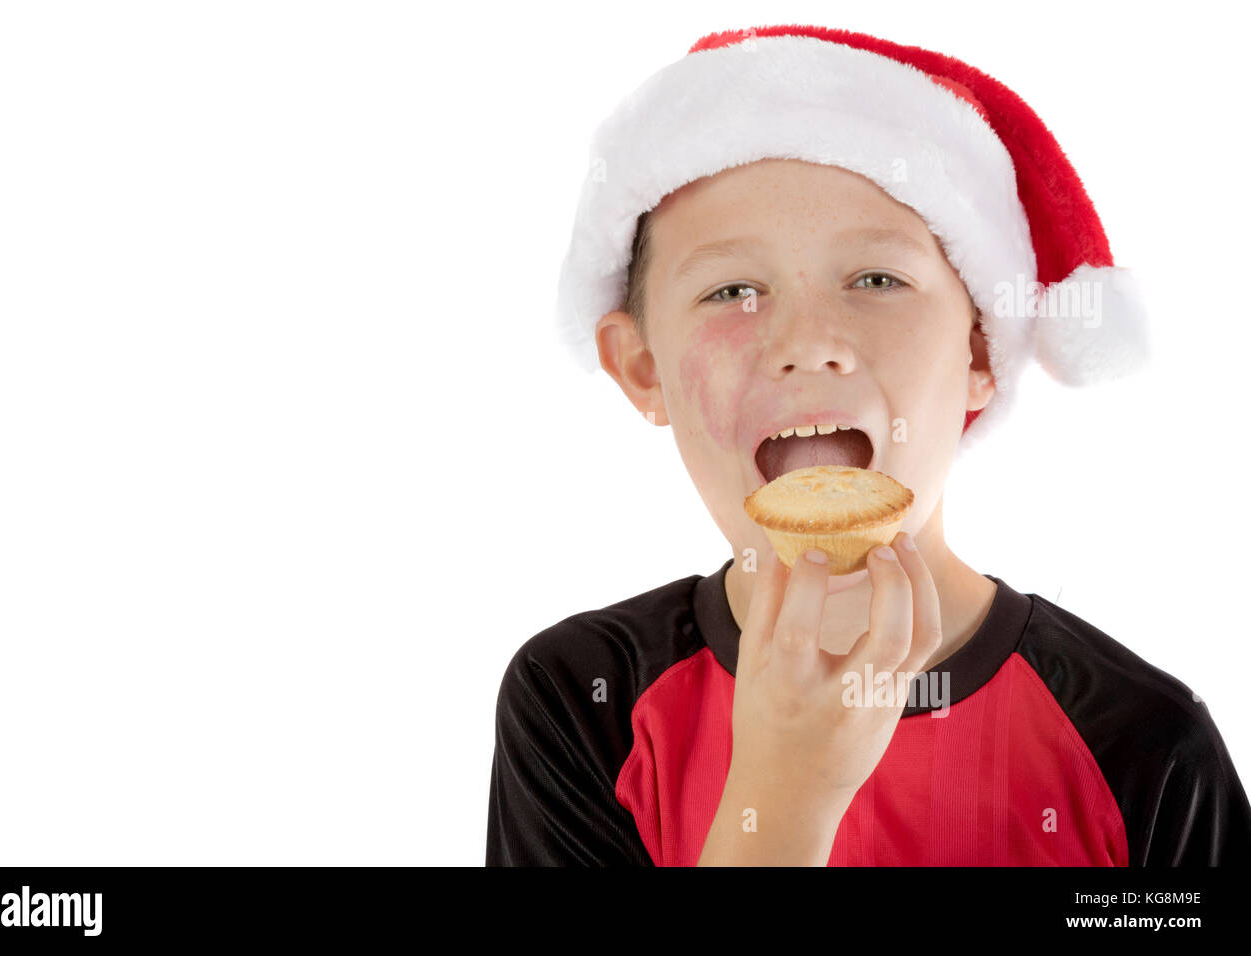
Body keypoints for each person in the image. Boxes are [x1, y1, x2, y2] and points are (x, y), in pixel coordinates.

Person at [485, 24, 1251, 865]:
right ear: (642, 370)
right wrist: (783, 795)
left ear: (982, 352)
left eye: (877, 279)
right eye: (732, 289)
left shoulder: (1142, 744)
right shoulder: (581, 703)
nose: (810, 341)